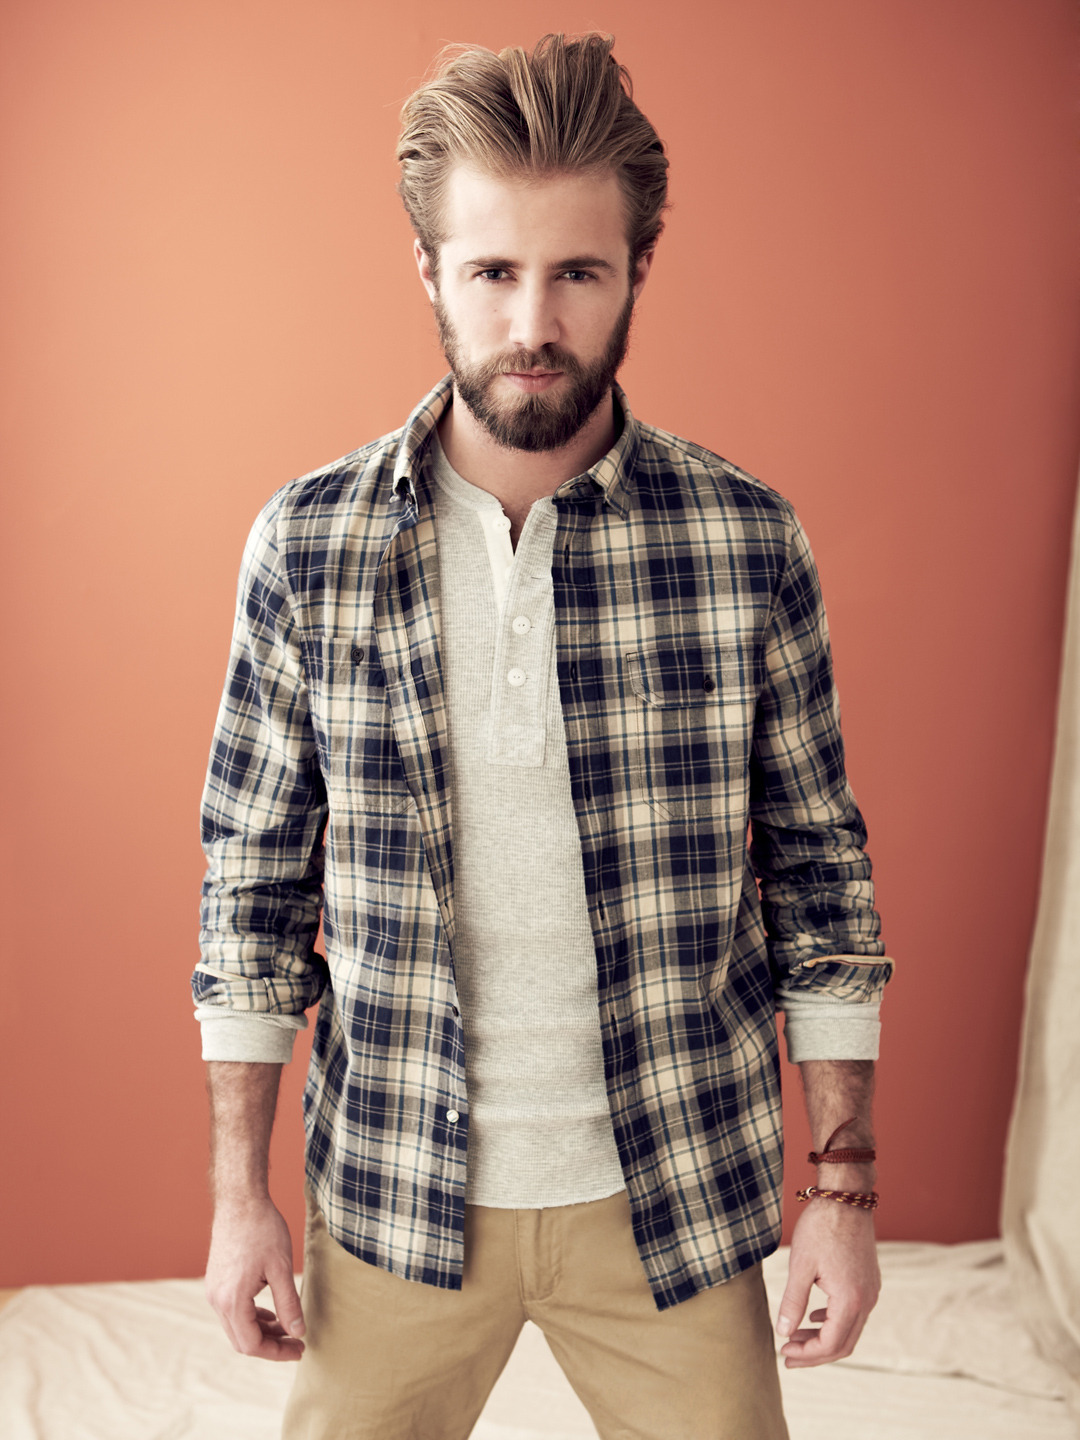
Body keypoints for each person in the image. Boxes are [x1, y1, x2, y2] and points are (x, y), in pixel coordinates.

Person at [194, 32, 893, 1440]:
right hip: (395, 1197)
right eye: (492, 272)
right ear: (428, 271)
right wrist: (237, 1197)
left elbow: (823, 883)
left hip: (674, 1199)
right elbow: (251, 893)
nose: (534, 322)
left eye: (578, 272)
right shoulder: (310, 547)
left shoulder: (746, 542)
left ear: (639, 268)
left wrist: (842, 1193)